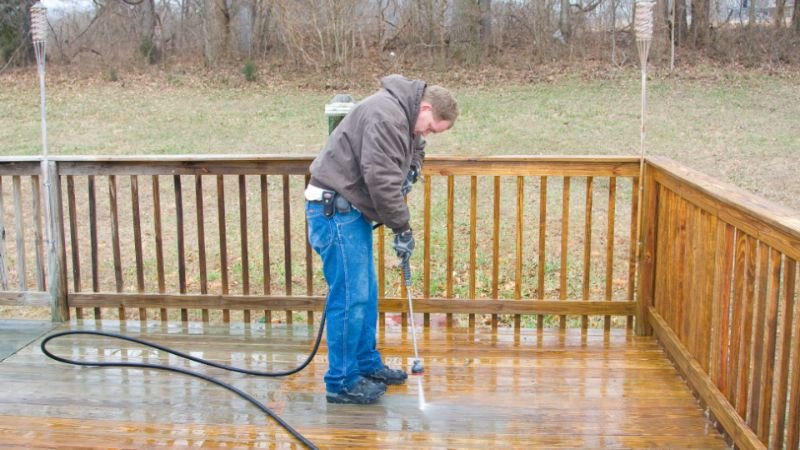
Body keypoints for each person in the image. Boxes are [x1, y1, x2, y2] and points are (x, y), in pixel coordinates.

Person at [305, 74, 458, 404]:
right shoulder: (386, 115)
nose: (427, 133)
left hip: (350, 211)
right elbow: (380, 178)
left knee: (365, 294)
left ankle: (364, 365)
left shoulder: (404, 115)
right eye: (431, 126)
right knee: (350, 298)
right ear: (426, 106)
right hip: (334, 212)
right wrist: (402, 227)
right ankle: (342, 381)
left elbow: (415, 149)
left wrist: (413, 168)